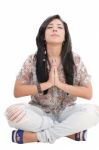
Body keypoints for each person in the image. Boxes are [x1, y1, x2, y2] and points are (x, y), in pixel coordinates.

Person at [5, 14, 99, 144]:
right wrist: (47, 84)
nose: (55, 29)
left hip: (67, 111)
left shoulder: (75, 59)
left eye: (59, 27)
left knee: (94, 113)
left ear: (65, 36)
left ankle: (38, 137)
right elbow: (17, 91)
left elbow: (88, 93)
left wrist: (60, 84)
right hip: (39, 112)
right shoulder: (32, 60)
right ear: (43, 35)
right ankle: (69, 132)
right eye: (50, 27)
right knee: (11, 113)